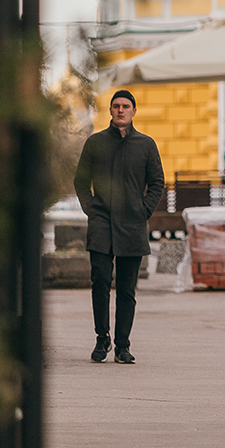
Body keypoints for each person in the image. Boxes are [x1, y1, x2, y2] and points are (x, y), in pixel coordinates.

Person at [74, 90, 165, 365]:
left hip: (132, 225)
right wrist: (91, 209)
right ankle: (102, 338)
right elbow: (81, 181)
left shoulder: (146, 145)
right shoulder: (95, 143)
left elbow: (157, 182)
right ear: (111, 110)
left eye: (126, 106)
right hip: (101, 223)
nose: (121, 110)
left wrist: (144, 210)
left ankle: (123, 345)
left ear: (134, 111)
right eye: (116, 106)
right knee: (100, 281)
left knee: (127, 289)